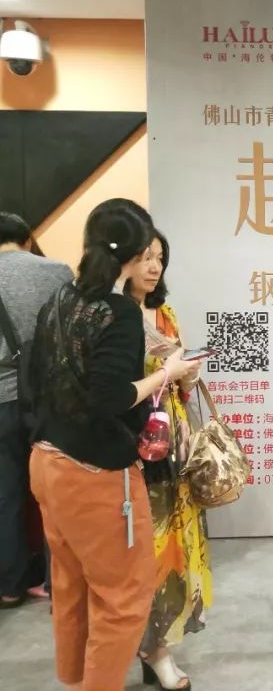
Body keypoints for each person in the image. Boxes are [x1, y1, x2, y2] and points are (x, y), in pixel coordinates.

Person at [28, 199, 200, 690]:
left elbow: (40, 376)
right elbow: (110, 399)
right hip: (95, 474)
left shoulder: (62, 298)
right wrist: (166, 373)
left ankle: (77, 680)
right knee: (124, 598)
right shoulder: (118, 311)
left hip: (47, 461)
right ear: (134, 251)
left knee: (72, 585)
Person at [125, 230, 210, 690]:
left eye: (159, 257)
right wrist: (165, 370)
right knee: (144, 550)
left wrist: (187, 373)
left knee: (174, 543)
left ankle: (156, 644)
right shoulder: (115, 316)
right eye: (145, 257)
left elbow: (182, 386)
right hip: (134, 448)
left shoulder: (165, 314)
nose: (154, 266)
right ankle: (151, 647)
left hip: (172, 443)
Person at [0, 212, 72, 609]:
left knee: (5, 495)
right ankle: (57, 583)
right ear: (27, 239)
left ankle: (10, 586)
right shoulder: (57, 272)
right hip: (49, 399)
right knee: (55, 494)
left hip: (1, 398)